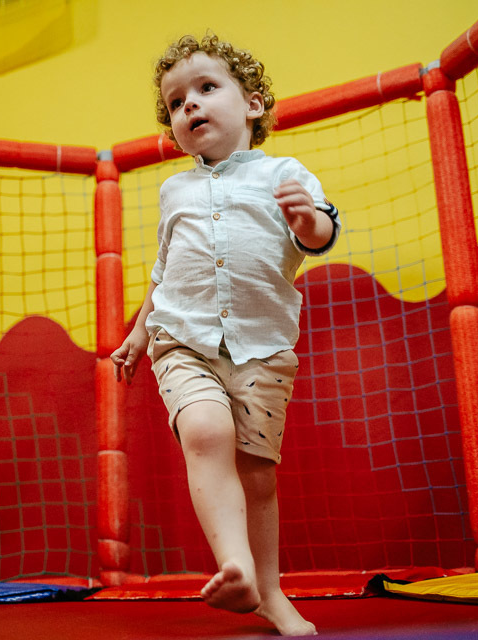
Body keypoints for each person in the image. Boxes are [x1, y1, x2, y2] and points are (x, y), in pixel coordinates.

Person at [111, 33, 340, 637]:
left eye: (206, 89)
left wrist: (305, 220)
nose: (189, 106)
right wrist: (139, 335)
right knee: (206, 431)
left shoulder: (284, 173)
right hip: (180, 341)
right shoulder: (174, 190)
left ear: (254, 104)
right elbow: (165, 272)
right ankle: (234, 566)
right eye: (176, 103)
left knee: (258, 475)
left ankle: (269, 593)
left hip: (262, 349)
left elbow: (320, 235)